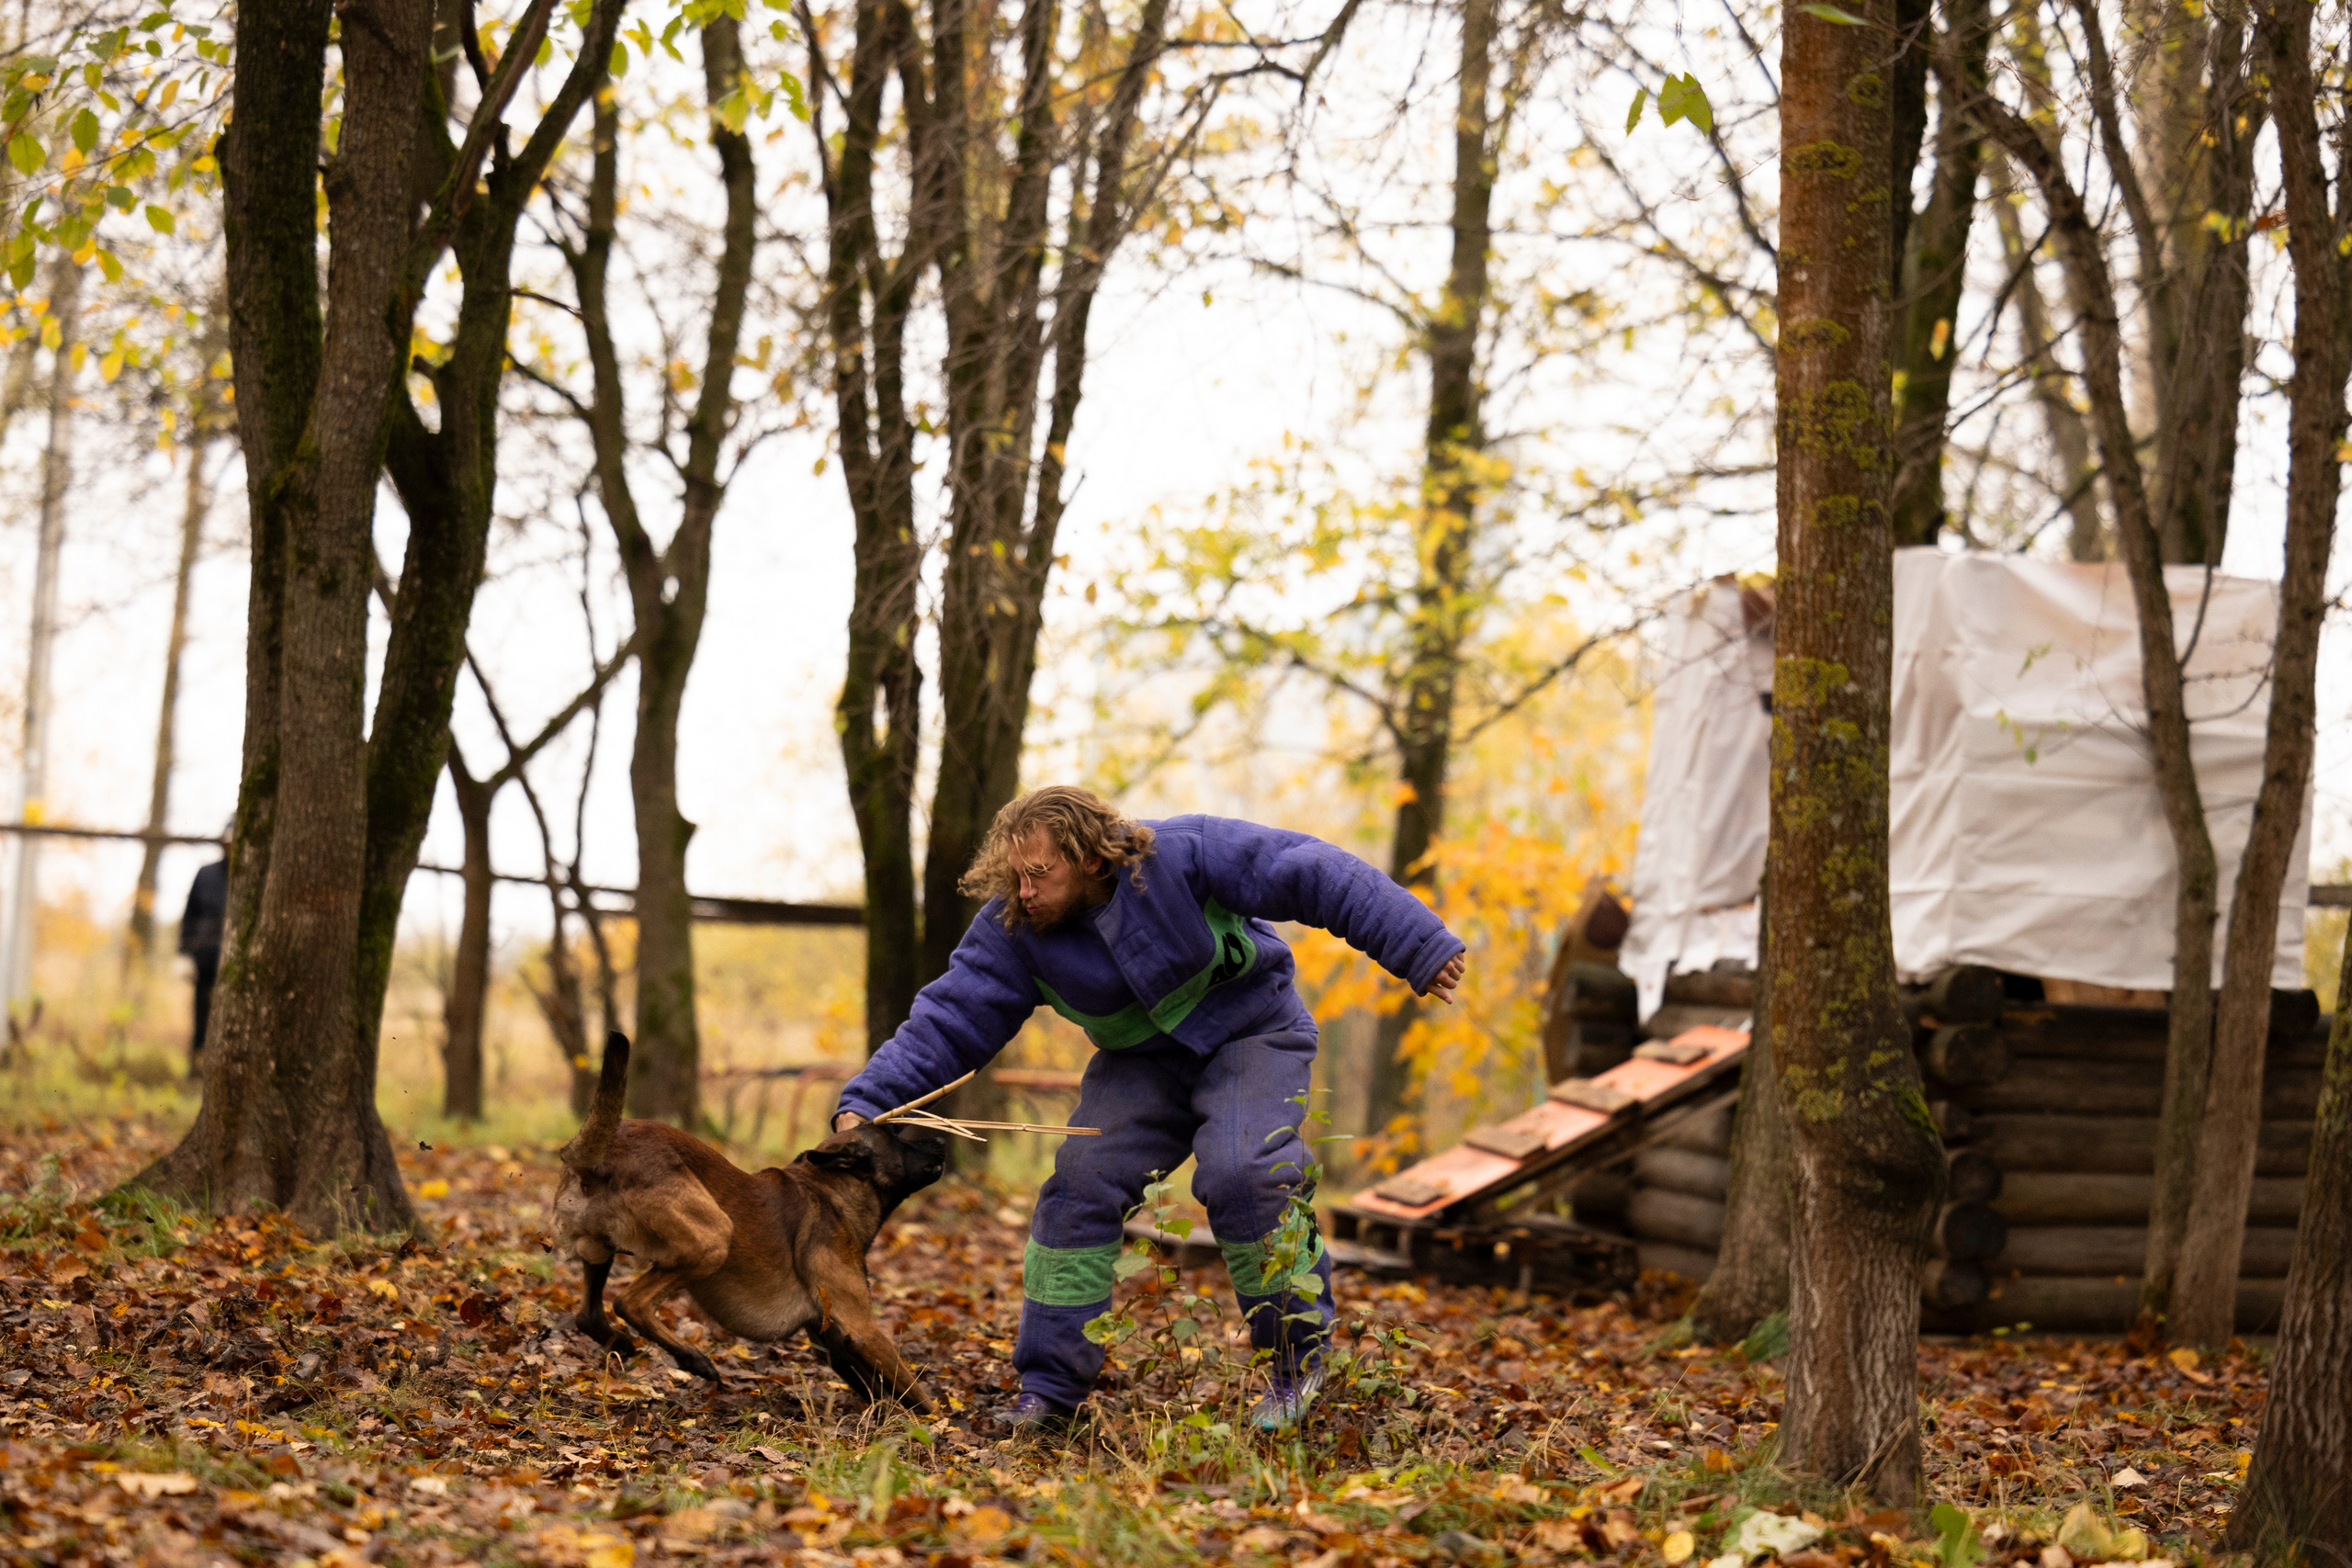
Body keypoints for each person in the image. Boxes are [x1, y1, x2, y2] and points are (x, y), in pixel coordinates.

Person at [831, 786, 1467, 1434]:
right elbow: (948, 1020)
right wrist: (868, 1103)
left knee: (1243, 1171)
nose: (1023, 892)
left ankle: (1298, 1363)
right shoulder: (1015, 930)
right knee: (1078, 1183)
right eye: (1014, 877)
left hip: (1253, 1033)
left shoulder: (1184, 853)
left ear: (1088, 856)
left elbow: (1311, 869)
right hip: (1141, 1062)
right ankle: (1050, 1389)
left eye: (1038, 873)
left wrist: (1417, 945)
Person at [178, 847, 228, 1077]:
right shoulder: (206, 874)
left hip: (233, 962)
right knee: (201, 1014)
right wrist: (184, 953)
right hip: (205, 960)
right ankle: (196, 1066)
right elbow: (189, 915)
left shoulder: (255, 873)